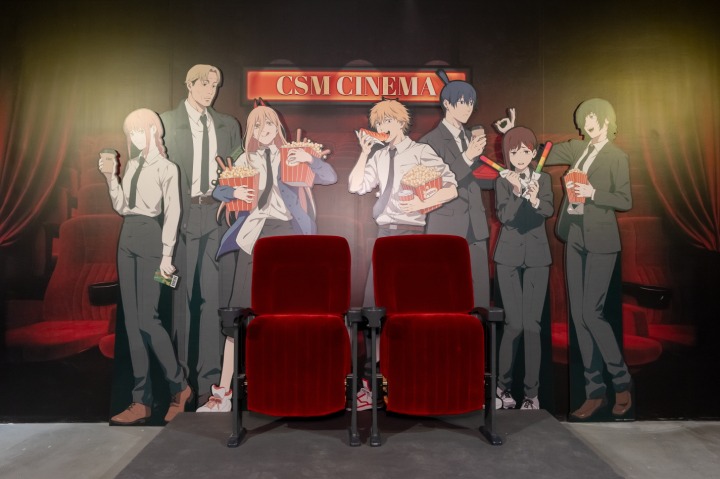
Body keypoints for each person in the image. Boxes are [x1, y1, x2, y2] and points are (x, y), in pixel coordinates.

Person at [195, 103, 337, 412]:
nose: (264, 130)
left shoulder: (292, 154)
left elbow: (329, 176)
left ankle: (296, 383)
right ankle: (224, 391)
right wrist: (234, 194)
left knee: (291, 313)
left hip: (288, 236)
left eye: (269, 124)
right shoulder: (245, 159)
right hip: (254, 237)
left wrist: (309, 159)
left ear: (277, 127)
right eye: (258, 126)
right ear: (252, 132)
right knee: (237, 312)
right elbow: (219, 190)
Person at [522, 98, 633, 420]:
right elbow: (541, 154)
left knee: (591, 314)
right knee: (578, 317)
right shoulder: (577, 149)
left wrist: (593, 194)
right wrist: (518, 139)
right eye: (584, 118)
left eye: (593, 117)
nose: (587, 122)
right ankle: (594, 391)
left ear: (607, 120)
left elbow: (625, 199)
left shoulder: (617, 157)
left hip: (601, 240)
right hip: (574, 236)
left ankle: (621, 383)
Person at [348, 98, 457, 409]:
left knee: (408, 314)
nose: (384, 127)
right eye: (379, 123)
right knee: (374, 312)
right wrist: (365, 152)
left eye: (388, 121)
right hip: (384, 236)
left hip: (412, 237)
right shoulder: (379, 156)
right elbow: (356, 186)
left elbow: (451, 187)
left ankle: (408, 383)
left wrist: (424, 203)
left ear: (401, 122)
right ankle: (372, 385)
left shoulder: (421, 152)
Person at [101, 108, 192, 425]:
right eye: (132, 133)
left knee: (148, 320)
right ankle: (141, 400)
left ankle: (179, 386)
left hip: (152, 239)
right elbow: (122, 206)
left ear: (155, 130)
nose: (136, 137)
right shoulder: (132, 165)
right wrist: (111, 178)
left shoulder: (168, 168)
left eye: (141, 130)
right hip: (127, 237)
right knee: (132, 323)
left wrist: (167, 256)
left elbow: (173, 213)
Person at [160, 64, 242, 407]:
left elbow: (240, 168)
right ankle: (179, 387)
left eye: (215, 85)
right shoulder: (165, 123)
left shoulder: (228, 125)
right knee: (179, 303)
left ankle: (210, 385)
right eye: (205, 84)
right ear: (189, 84)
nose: (211, 91)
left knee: (211, 301)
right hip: (180, 215)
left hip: (215, 215)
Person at [492, 126, 553, 410]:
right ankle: (502, 389)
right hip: (508, 257)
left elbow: (548, 210)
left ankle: (531, 395)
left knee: (532, 326)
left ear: (533, 153)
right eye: (514, 151)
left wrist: (535, 197)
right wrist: (517, 193)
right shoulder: (503, 180)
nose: (519, 156)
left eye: (525, 151)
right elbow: (505, 216)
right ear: (507, 154)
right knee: (513, 324)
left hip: (538, 257)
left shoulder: (544, 179)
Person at [419, 73, 491, 308]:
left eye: (471, 103)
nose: (468, 108)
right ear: (447, 104)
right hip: (445, 224)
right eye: (462, 102)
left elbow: (479, 178)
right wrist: (468, 157)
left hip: (476, 225)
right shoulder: (429, 142)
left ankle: (479, 330)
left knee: (479, 295)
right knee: (443, 292)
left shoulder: (472, 138)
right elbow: (436, 182)